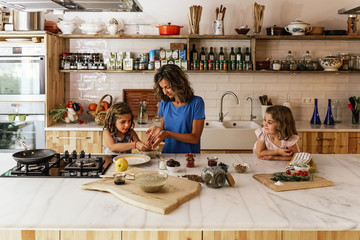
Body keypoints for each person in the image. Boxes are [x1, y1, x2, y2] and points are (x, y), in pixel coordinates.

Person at [146, 64, 205, 153]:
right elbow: (164, 134)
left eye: (168, 87)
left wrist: (167, 133)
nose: (165, 92)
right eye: (162, 88)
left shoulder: (196, 102)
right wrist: (159, 130)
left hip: (189, 158)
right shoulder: (164, 103)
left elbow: (195, 138)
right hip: (168, 157)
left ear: (179, 83)